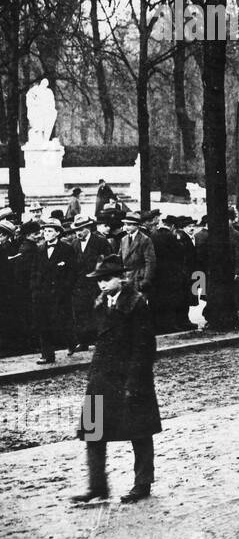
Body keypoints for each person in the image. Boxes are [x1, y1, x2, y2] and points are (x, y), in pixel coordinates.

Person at [70, 255, 160, 505]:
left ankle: (143, 483)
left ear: (122, 278)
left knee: (139, 431)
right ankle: (97, 486)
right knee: (92, 430)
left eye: (107, 279)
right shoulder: (99, 304)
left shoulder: (137, 303)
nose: (102, 284)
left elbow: (144, 346)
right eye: (99, 280)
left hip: (129, 376)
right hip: (100, 375)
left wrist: (136, 380)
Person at [31, 218, 75, 364]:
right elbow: (35, 271)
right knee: (43, 323)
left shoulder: (66, 249)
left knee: (63, 322)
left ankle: (71, 342)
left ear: (57, 233)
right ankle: (47, 355)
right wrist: (35, 289)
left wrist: (65, 289)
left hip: (60, 294)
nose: (46, 234)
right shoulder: (40, 249)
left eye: (50, 231)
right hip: (43, 294)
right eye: (44, 231)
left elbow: (71, 272)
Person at [69, 214, 112, 353]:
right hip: (79, 286)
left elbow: (109, 262)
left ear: (88, 228)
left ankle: (100, 341)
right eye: (76, 230)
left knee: (98, 313)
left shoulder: (100, 242)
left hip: (96, 284)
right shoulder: (74, 244)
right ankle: (83, 342)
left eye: (81, 229)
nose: (78, 233)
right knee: (80, 314)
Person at [118, 211, 156, 296]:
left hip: (138, 278)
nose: (126, 227)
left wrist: (146, 280)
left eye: (129, 225)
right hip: (125, 279)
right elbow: (119, 259)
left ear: (137, 226)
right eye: (125, 224)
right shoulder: (123, 239)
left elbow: (150, 262)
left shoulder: (145, 240)